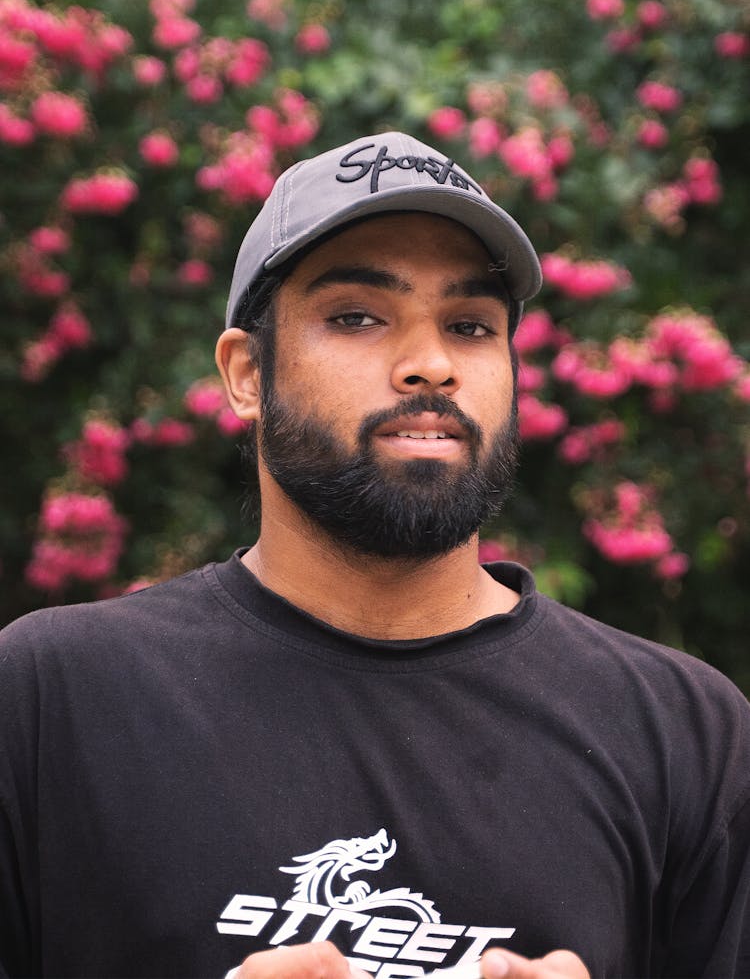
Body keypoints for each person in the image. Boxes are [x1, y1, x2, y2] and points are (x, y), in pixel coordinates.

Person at [0, 132, 748, 979]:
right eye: (357, 315)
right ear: (247, 372)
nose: (430, 365)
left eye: (469, 325)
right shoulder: (50, 699)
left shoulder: (684, 734)